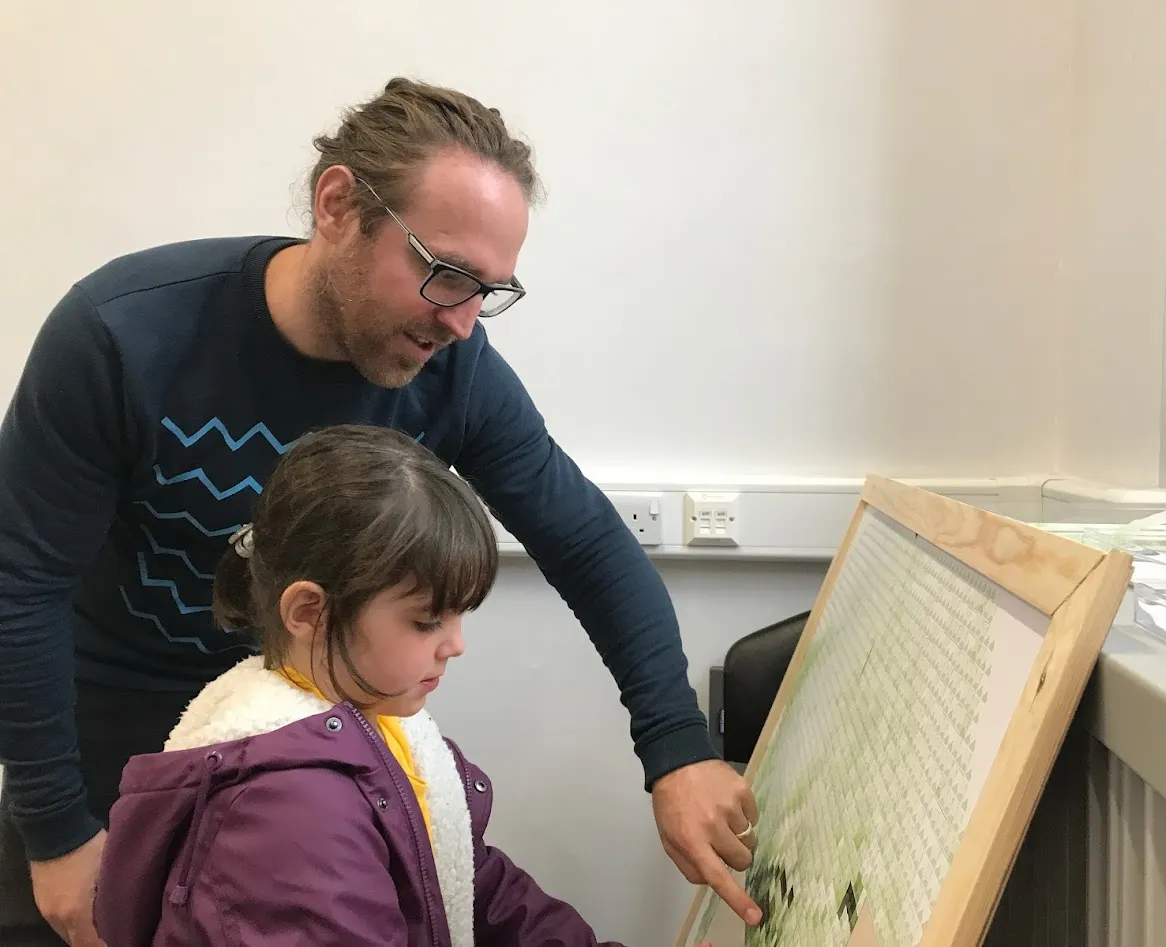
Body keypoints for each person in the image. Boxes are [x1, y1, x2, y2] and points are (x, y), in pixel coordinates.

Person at [0, 77, 759, 946]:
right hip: (107, 739)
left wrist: (678, 747)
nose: (465, 323)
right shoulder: (124, 335)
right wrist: (57, 835)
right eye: (444, 274)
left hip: (306, 738)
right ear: (337, 206)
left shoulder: (450, 369)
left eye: (490, 290)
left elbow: (584, 539)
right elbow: (20, 587)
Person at [93, 423, 646, 946]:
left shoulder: (383, 729)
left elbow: (472, 883)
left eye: (460, 616)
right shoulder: (287, 811)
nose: (456, 644)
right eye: (428, 621)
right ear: (310, 611)